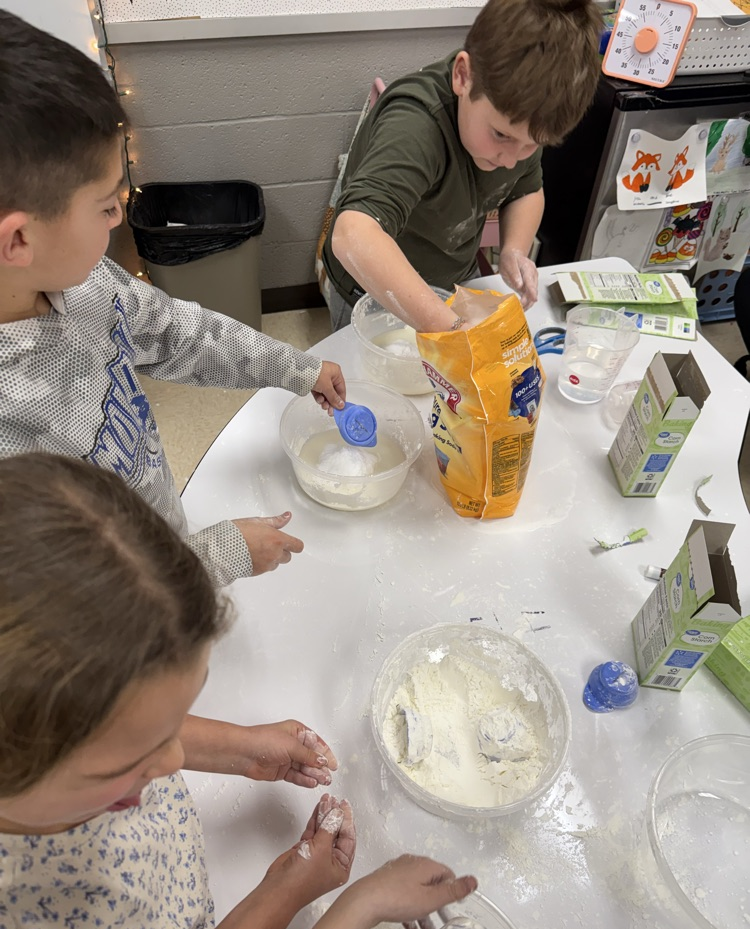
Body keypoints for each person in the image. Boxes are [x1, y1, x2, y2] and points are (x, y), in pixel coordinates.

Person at [0, 452, 481, 929]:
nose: (173, 760)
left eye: (171, 725)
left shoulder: (59, 753)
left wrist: (243, 750)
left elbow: (120, 731)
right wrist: (315, 900)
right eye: (135, 760)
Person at [0, 11, 347, 589]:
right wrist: (212, 558)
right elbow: (76, 598)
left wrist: (295, 366)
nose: (120, 219)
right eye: (107, 205)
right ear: (19, 240)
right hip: (142, 620)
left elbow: (178, 332)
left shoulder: (81, 282)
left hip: (165, 543)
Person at [319, 0, 602, 333]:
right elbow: (353, 235)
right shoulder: (415, 125)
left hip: (453, 279)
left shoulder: (520, 126)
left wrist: (513, 249)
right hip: (372, 290)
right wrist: (450, 329)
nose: (511, 159)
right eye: (501, 135)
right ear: (462, 76)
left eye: (533, 145)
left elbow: (527, 189)